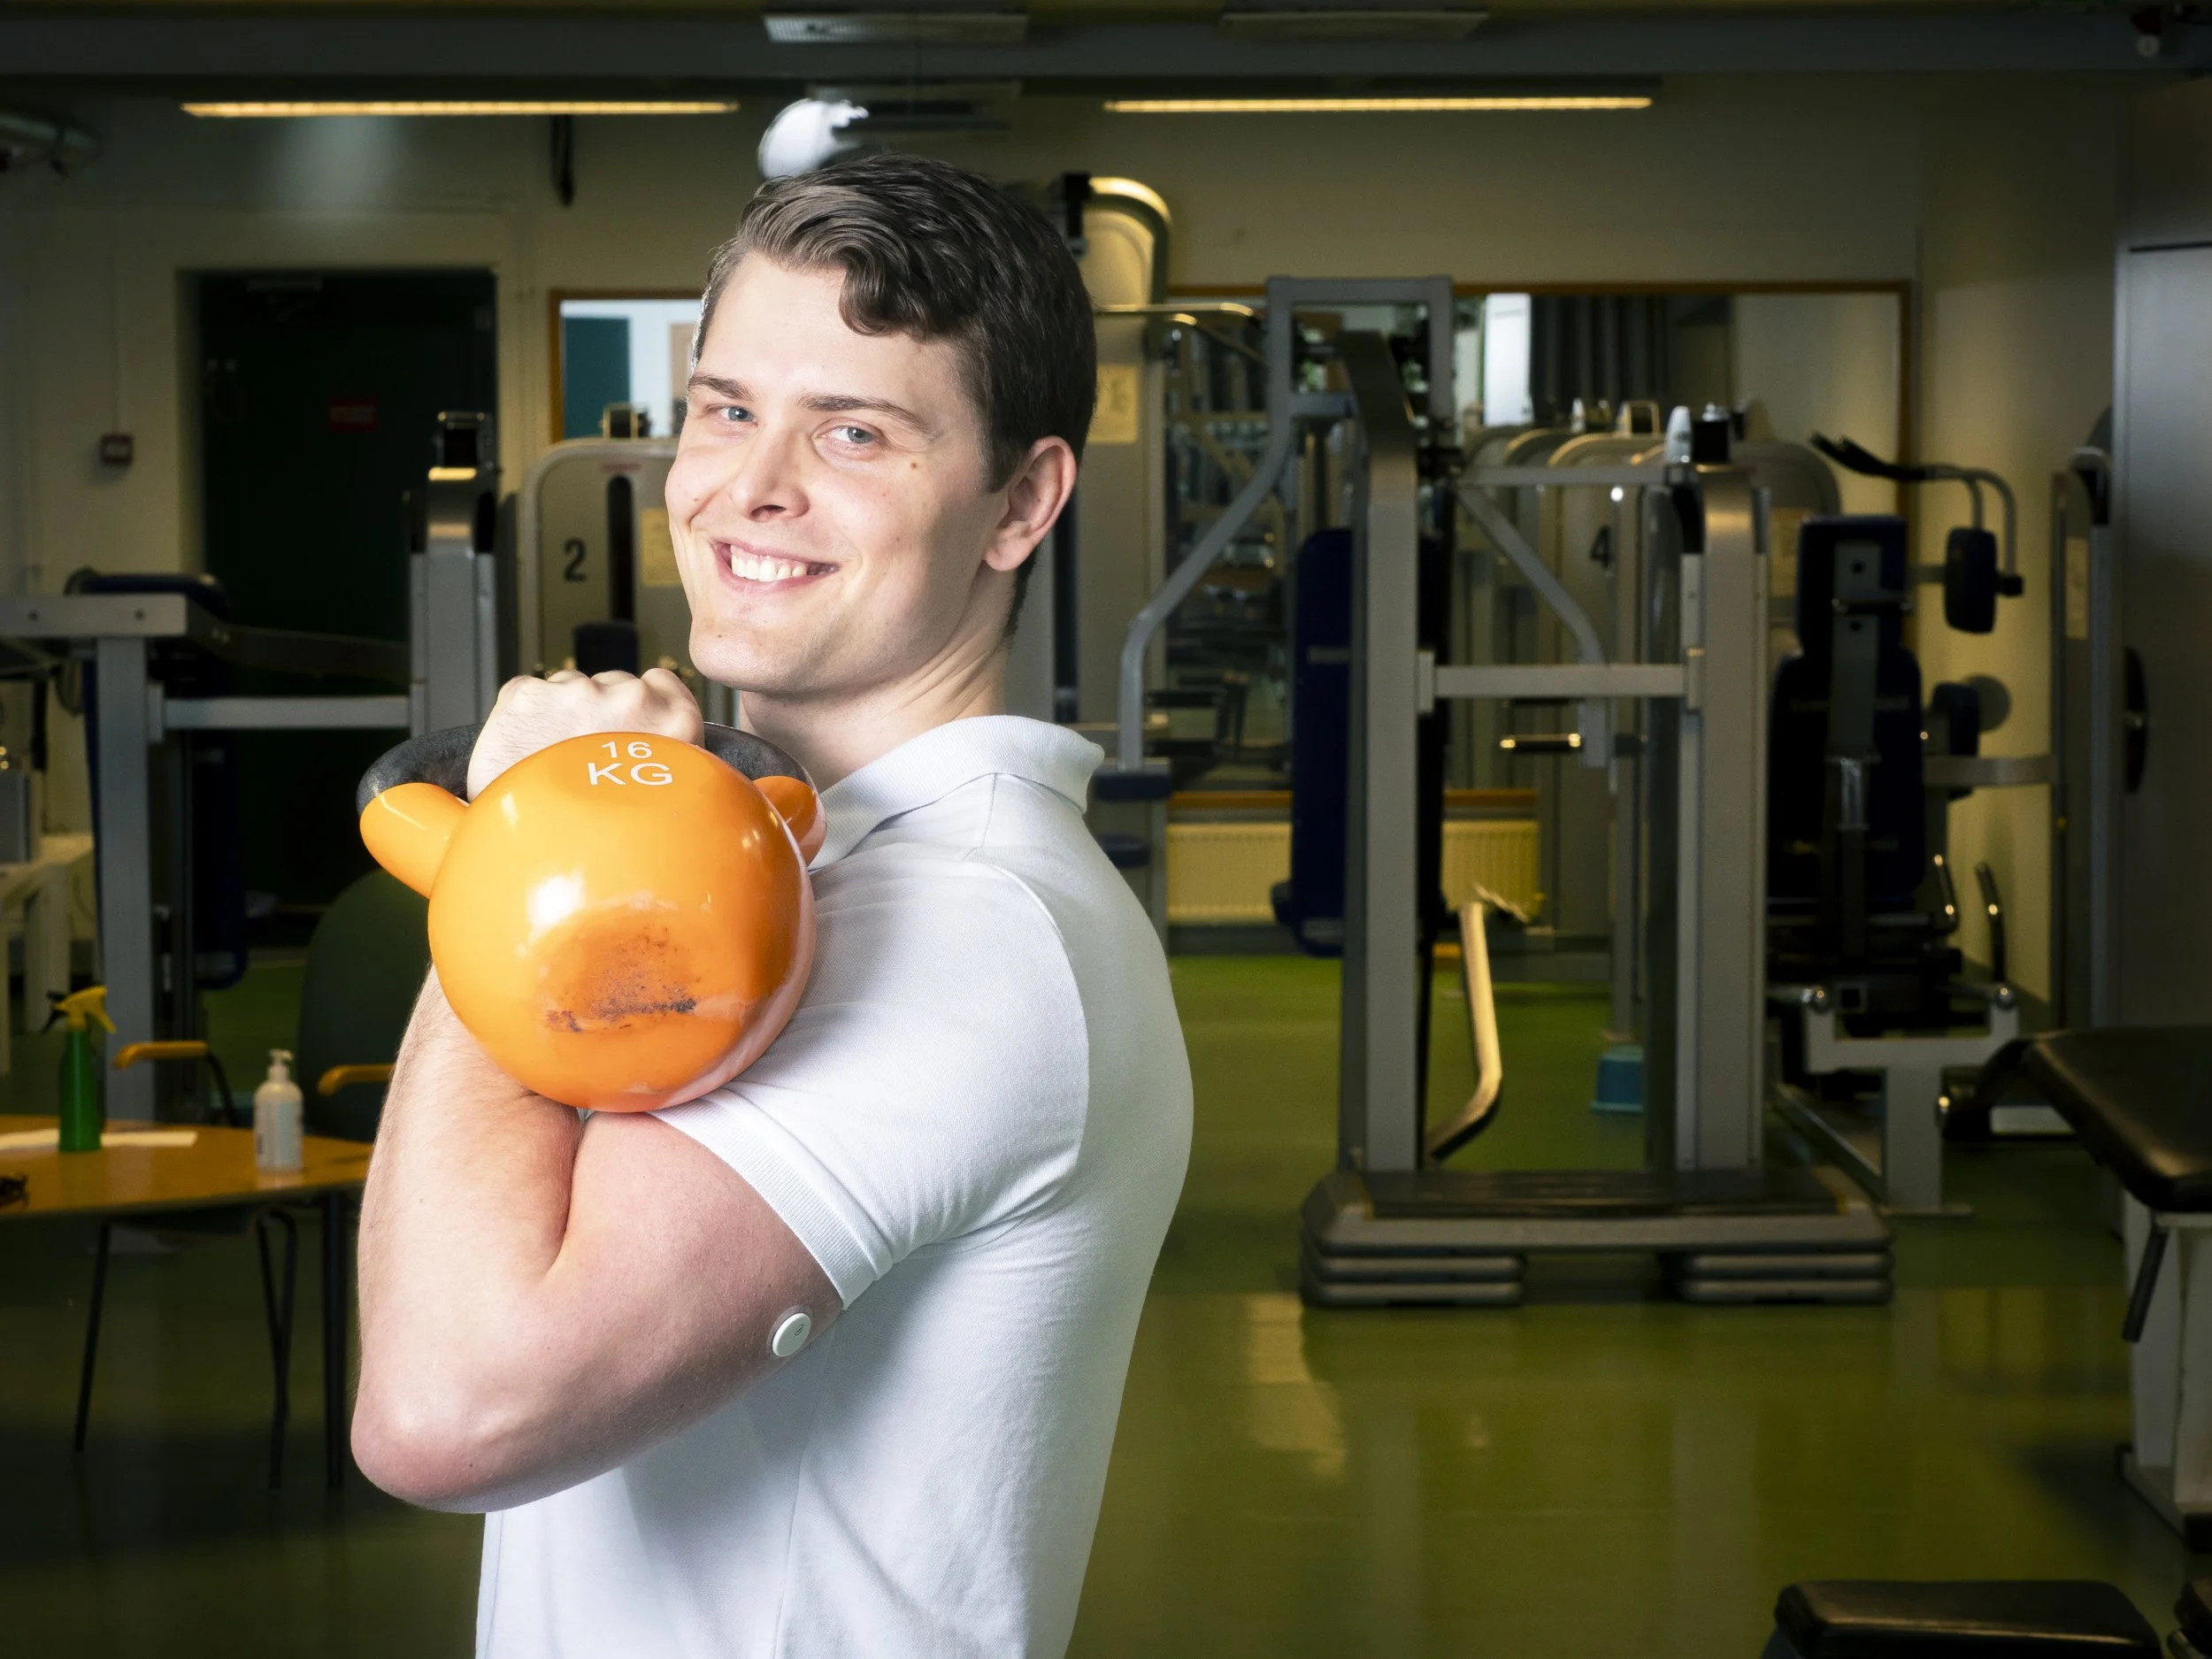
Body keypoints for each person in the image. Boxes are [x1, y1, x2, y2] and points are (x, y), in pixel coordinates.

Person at [351, 153, 1194, 1657]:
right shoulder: (786, 864)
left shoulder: (966, 930)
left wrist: (522, 842)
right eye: (726, 408)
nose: (748, 489)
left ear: (1020, 502)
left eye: (854, 432)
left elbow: (448, 1410)